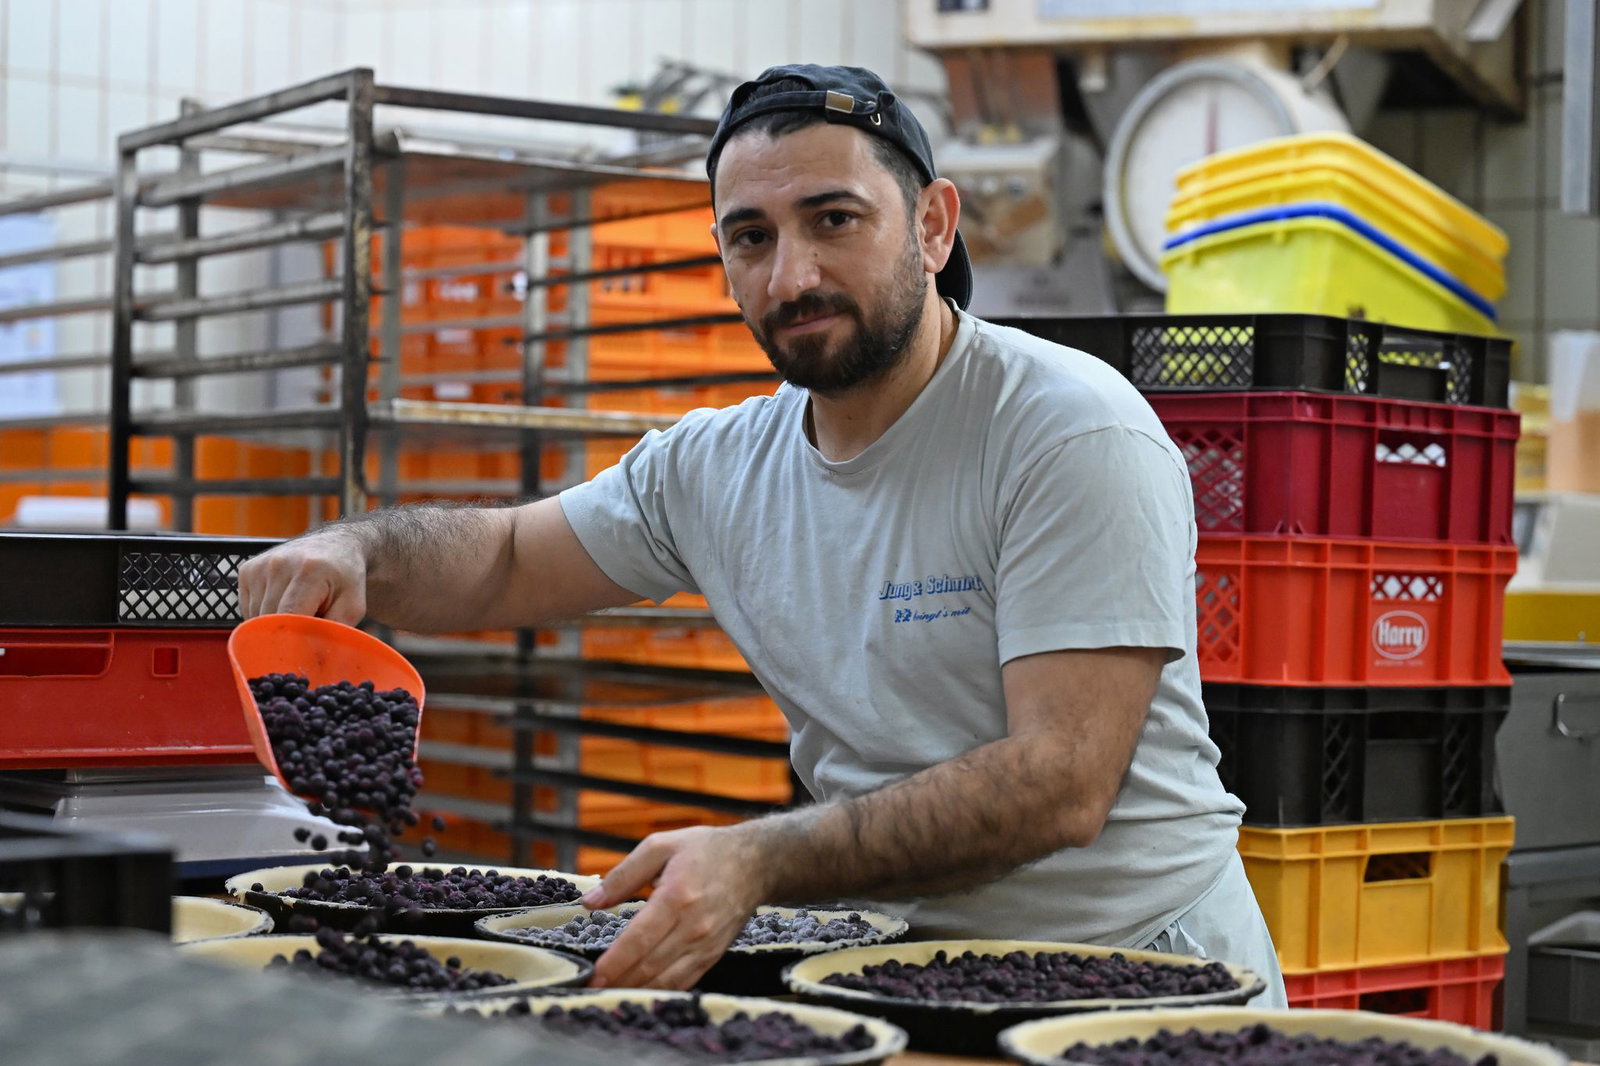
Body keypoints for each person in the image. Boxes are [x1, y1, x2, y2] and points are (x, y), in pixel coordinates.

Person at [239, 63, 1288, 1005]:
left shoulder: (1063, 430)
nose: (791, 277)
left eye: (834, 219)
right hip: (897, 966)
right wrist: (360, 550)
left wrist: (759, 856)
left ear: (932, 225)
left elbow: (1060, 781)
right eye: (753, 236)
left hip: (1143, 971)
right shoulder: (716, 466)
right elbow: (509, 557)